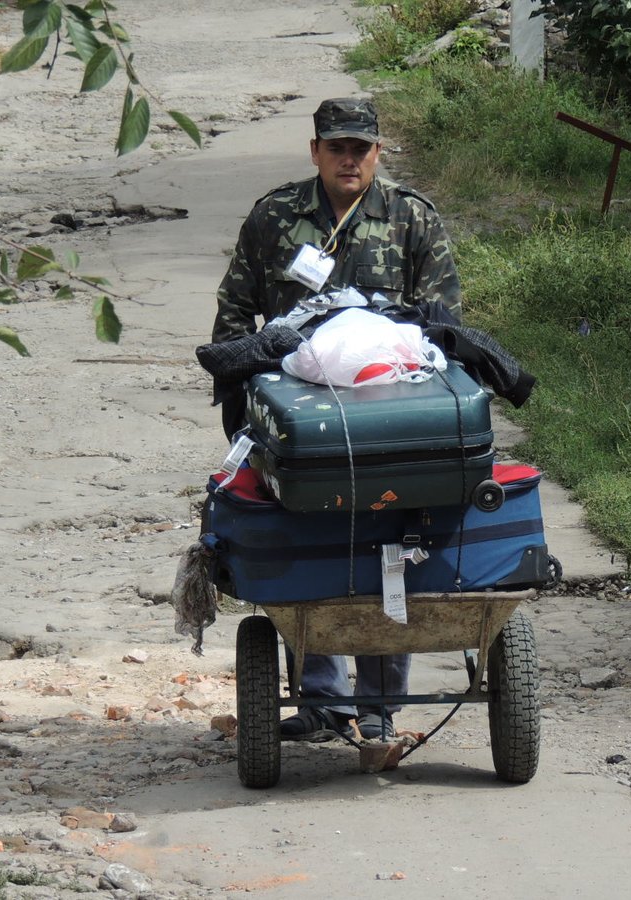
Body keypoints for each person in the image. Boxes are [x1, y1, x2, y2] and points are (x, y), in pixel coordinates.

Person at [210, 97, 464, 742]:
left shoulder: (411, 218)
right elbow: (237, 311)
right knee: (306, 543)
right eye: (337, 148)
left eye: (361, 148)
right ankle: (322, 699)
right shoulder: (275, 216)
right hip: (301, 417)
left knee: (390, 547)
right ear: (315, 151)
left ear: (378, 153)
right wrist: (241, 402)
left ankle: (379, 708)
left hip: (390, 412)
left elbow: (442, 320)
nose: (349, 159)